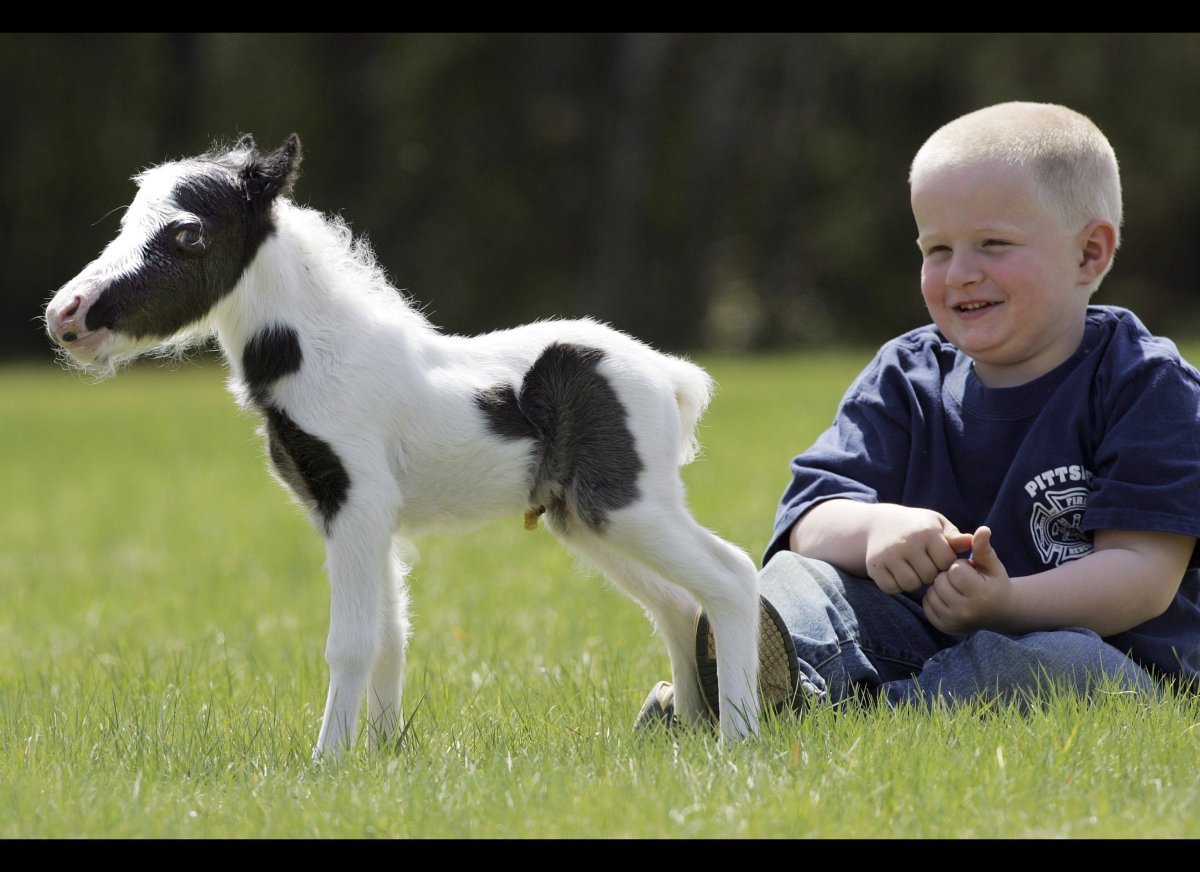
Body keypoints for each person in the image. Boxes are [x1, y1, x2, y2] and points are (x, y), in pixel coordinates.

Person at [635, 101, 1200, 732]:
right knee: (798, 579)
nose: (960, 273)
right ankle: (746, 684)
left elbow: (1143, 576)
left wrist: (1007, 603)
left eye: (993, 243)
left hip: (1108, 652)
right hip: (922, 633)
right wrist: (875, 528)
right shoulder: (907, 373)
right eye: (937, 249)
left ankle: (833, 711)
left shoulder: (1144, 383)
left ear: (1090, 253)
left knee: (1064, 666)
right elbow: (810, 519)